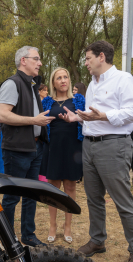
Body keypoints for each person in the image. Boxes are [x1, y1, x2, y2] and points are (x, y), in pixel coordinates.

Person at [59, 40, 133, 262]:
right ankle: (97, 240)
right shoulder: (93, 84)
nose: (85, 63)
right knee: (94, 198)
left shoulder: (123, 79)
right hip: (90, 145)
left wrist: (104, 115)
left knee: (122, 201)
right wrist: (77, 118)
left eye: (88, 58)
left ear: (101, 57)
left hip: (113, 146)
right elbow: (92, 116)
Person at [0, 45, 53, 247]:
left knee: (32, 195)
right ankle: (8, 239)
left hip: (35, 148)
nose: (39, 63)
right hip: (17, 151)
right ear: (24, 60)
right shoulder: (12, 84)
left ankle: (28, 235)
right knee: (12, 197)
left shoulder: (31, 85)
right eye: (36, 59)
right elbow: (3, 115)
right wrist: (33, 121)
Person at [40, 67, 84, 244]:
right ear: (53, 82)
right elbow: (41, 122)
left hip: (73, 148)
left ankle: (68, 227)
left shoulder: (78, 100)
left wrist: (77, 119)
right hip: (53, 147)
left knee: (70, 187)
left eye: (65, 77)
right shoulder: (47, 102)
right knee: (53, 188)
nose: (63, 80)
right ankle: (52, 226)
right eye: (59, 78)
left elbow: (86, 120)